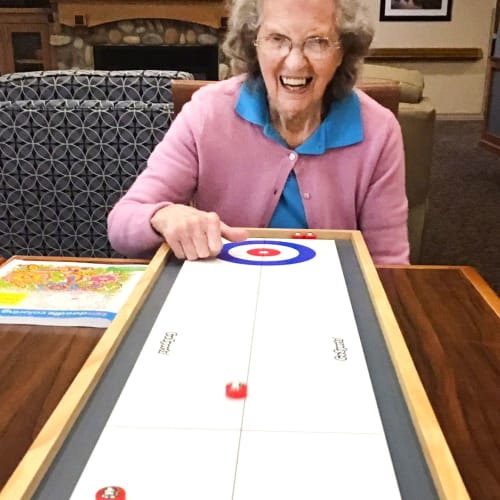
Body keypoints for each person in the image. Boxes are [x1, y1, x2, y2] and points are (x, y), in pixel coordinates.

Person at [107, 0, 409, 264]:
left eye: (316, 42)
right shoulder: (207, 112)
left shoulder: (379, 131)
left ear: (343, 50)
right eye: (277, 39)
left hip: (331, 299)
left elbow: (389, 264)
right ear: (254, 43)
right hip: (225, 295)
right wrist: (162, 216)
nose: (294, 62)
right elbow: (122, 224)